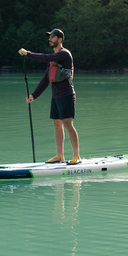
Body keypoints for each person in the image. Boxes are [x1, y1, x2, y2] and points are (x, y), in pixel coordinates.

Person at [18, 29, 81, 165]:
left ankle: (76, 156)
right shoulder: (52, 60)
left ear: (60, 39)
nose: (50, 39)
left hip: (66, 94)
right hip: (56, 95)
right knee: (57, 124)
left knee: (68, 124)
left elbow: (47, 57)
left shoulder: (64, 54)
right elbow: (45, 79)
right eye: (49, 37)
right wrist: (34, 95)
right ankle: (60, 156)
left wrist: (28, 54)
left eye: (53, 37)